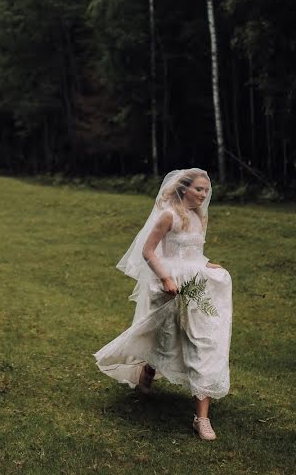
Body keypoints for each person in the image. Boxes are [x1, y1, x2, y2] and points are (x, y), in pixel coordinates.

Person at [94, 168, 233, 441]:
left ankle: (201, 418)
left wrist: (207, 265)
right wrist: (166, 278)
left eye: (206, 190)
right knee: (164, 338)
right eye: (198, 189)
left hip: (195, 285)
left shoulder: (199, 217)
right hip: (169, 285)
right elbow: (148, 251)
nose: (204, 194)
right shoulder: (169, 215)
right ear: (184, 189)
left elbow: (195, 254)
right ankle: (148, 368)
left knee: (201, 342)